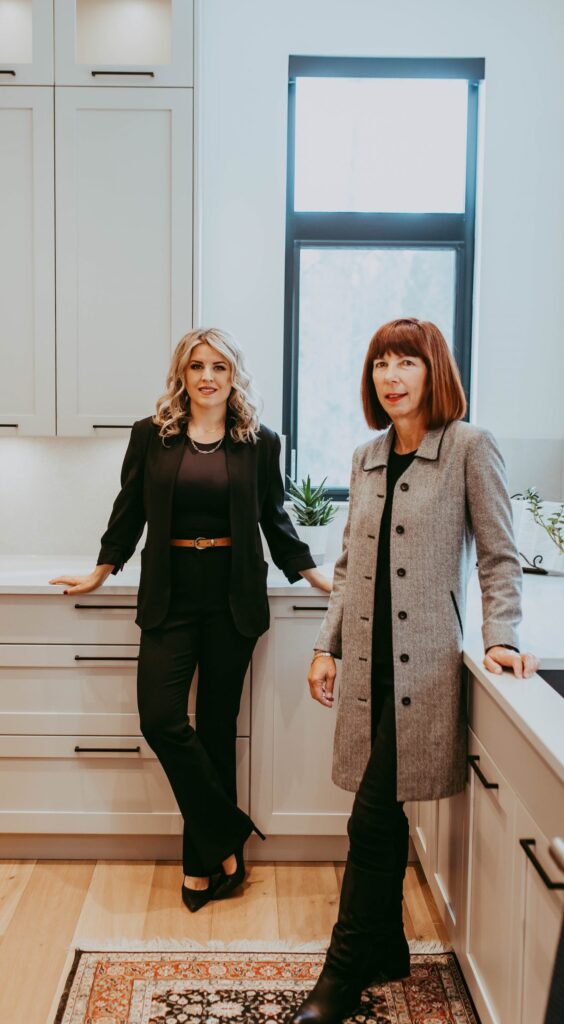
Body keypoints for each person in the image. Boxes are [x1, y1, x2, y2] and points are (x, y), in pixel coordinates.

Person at [288, 317, 538, 1023]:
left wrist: (501, 636)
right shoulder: (367, 456)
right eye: (380, 364)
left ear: (435, 372)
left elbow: (499, 556)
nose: (391, 377)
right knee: (384, 808)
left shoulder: (469, 447)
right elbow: (347, 566)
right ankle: (389, 946)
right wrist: (325, 645)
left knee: (369, 816)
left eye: (406, 362)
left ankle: (342, 969)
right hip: (367, 669)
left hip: (421, 670)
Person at [50, 327, 331, 913]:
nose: (208, 376)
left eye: (219, 366)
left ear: (234, 376)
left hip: (232, 598)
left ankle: (204, 865)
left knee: (217, 730)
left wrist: (311, 573)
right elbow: (128, 510)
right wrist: (102, 569)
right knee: (161, 719)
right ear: (182, 373)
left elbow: (274, 517)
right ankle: (229, 831)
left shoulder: (260, 442)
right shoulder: (151, 436)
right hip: (170, 596)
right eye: (197, 365)